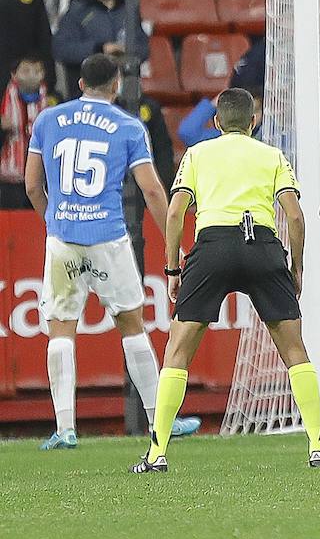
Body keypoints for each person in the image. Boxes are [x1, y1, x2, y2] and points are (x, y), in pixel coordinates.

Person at [132, 87, 320, 472]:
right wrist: (297, 268)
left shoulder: (197, 154)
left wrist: (173, 269)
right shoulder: (272, 155)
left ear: (217, 122)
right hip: (263, 245)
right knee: (294, 351)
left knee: (178, 351)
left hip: (214, 244)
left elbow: (174, 215)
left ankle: (157, 455)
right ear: (254, 122)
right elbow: (296, 216)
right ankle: (318, 448)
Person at [24, 55, 197, 451]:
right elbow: (152, 191)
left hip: (63, 237)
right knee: (131, 324)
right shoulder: (128, 126)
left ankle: (65, 427)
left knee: (61, 326)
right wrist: (176, 244)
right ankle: (159, 421)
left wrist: (53, 221)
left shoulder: (48, 120)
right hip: (108, 237)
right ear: (116, 85)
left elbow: (33, 185)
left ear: (80, 83)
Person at [53, 0, 145, 96]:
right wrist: (100, 49)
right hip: (86, 90)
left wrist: (128, 50)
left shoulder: (129, 9)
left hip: (123, 89)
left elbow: (144, 46)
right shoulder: (77, 10)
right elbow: (62, 49)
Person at [1, 55, 54, 208]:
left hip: (41, 175)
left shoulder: (53, 100)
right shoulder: (3, 99)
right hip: (9, 178)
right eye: (26, 71)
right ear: (14, 74)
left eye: (37, 71)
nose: (32, 75)